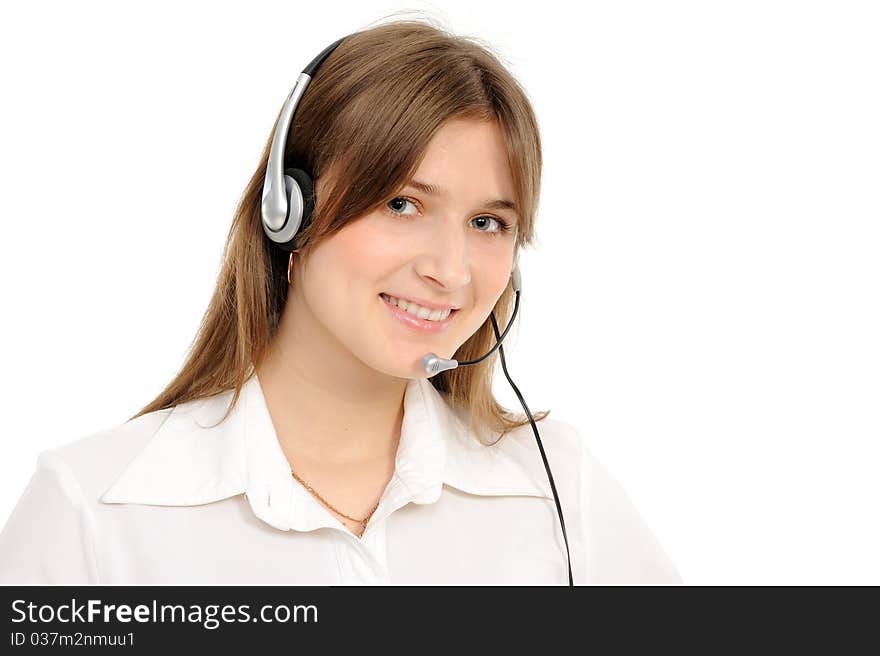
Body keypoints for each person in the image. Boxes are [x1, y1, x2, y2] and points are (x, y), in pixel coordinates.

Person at [0, 17, 682, 585]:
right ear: (287, 211)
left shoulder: (554, 486)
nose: (450, 270)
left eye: (487, 223)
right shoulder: (96, 508)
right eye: (402, 203)